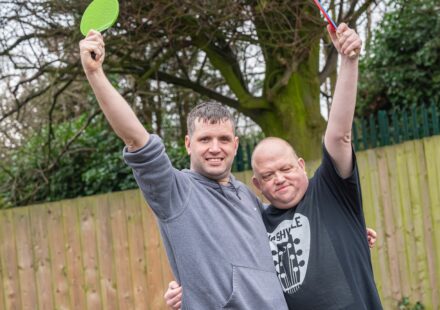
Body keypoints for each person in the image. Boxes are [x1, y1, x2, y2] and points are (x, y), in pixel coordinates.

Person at [164, 23, 383, 309]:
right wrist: (182, 289)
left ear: (302, 165)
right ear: (258, 185)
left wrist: (348, 60)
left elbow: (339, 134)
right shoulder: (256, 225)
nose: (279, 179)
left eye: (287, 169)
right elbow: (215, 260)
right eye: (267, 175)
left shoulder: (331, 192)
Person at [79, 32, 288, 309]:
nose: (215, 148)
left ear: (235, 145)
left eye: (223, 139)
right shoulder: (175, 192)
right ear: (189, 144)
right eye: (205, 139)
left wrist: (346, 229)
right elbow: (137, 140)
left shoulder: (247, 197)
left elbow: (287, 227)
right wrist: (95, 74)